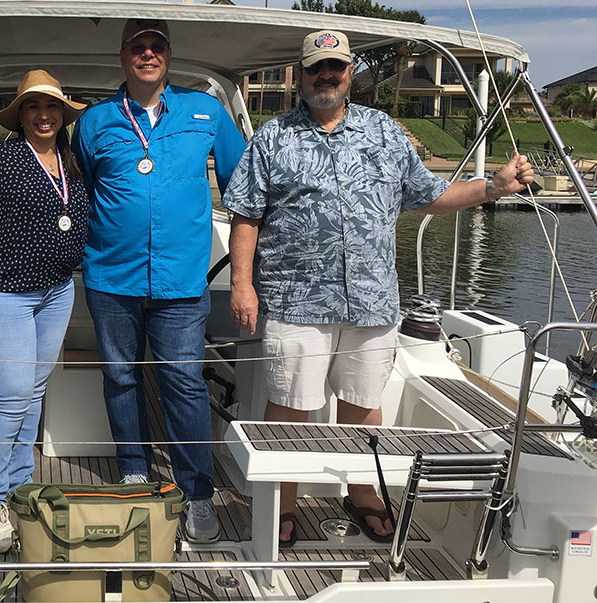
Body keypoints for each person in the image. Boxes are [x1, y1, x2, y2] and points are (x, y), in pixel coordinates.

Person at [223, 30, 534, 546]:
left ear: (350, 72)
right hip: (296, 300)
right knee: (290, 407)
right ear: (301, 75)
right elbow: (246, 215)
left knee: (364, 403)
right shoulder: (272, 138)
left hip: (372, 300)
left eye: (336, 66)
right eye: (316, 67)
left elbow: (430, 195)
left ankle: (364, 492)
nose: (326, 75)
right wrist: (241, 285)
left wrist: (493, 187)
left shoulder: (385, 131)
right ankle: (282, 502)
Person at [72, 19, 247, 543]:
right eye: (138, 46)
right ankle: (134, 471)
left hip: (182, 280)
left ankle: (197, 491)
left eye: (157, 46)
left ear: (168, 54)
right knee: (121, 378)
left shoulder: (206, 111)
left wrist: (250, 272)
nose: (148, 54)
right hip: (111, 276)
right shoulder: (94, 121)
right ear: (123, 56)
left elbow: (243, 187)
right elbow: (80, 189)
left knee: (184, 384)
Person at [0, 70, 88, 552]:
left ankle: (18, 483)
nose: (44, 115)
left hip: (56, 291)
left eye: (51, 107)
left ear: (62, 115)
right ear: (21, 115)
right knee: (10, 394)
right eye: (34, 107)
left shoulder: (70, 162)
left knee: (32, 391)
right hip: (0, 294)